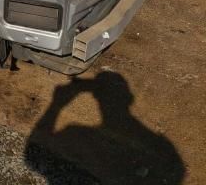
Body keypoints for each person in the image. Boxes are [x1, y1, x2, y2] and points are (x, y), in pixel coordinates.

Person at [25, 71, 185, 184]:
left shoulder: (75, 132)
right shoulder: (163, 149)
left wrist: (56, 105)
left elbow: (31, 155)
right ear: (129, 98)